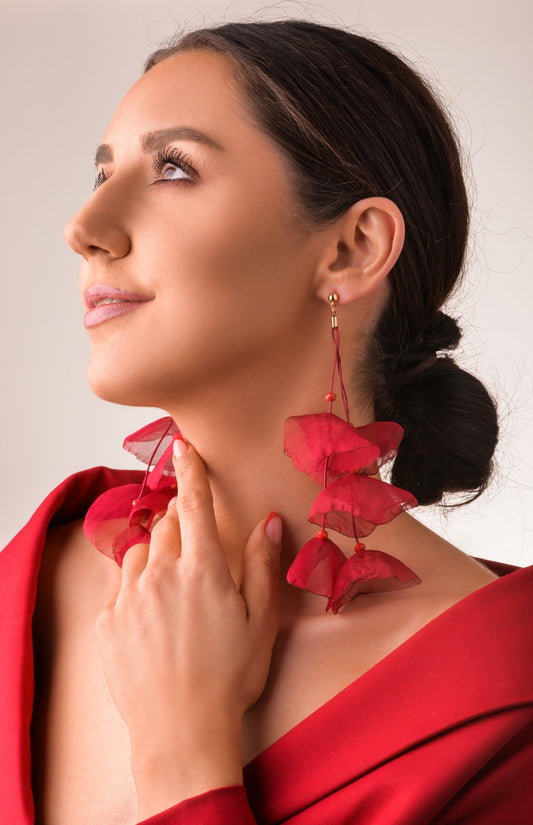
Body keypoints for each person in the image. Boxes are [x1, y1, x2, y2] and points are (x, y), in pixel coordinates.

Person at [1, 19, 531, 825]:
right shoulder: (31, 572)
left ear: (353, 249)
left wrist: (186, 757)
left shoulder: (499, 706)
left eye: (173, 168)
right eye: (102, 170)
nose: (84, 228)